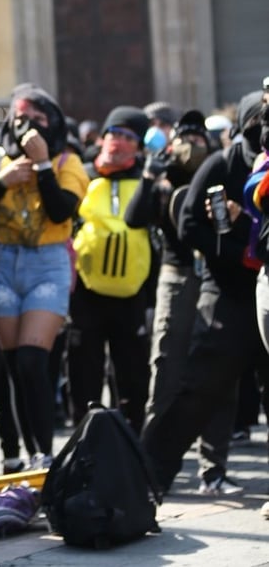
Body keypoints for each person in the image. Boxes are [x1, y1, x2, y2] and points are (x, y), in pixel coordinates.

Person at [142, 90, 269, 494]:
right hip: (228, 296)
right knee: (198, 389)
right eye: (257, 122)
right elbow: (189, 223)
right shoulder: (221, 163)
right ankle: (147, 479)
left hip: (263, 290)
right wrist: (236, 253)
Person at [0, 84, 89, 468]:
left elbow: (63, 212)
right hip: (1, 266)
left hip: (47, 264)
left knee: (33, 362)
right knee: (13, 369)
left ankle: (45, 455)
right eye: (20, 118)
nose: (27, 126)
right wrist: (2, 183)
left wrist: (43, 165)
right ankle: (26, 458)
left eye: (37, 119)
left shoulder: (68, 163)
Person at [125, 109, 241, 493]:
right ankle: (149, 464)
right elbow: (134, 219)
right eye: (184, 137)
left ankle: (213, 470)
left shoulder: (218, 174)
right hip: (175, 279)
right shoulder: (163, 182)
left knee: (218, 374)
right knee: (167, 370)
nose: (191, 144)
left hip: (215, 279)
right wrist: (148, 174)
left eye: (198, 137)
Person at [66, 105, 152, 434]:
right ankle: (82, 441)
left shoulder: (147, 178)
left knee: (132, 376)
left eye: (128, 136)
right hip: (85, 292)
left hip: (132, 293)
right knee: (84, 373)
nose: (117, 141)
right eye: (113, 133)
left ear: (139, 146)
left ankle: (129, 444)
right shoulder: (82, 175)